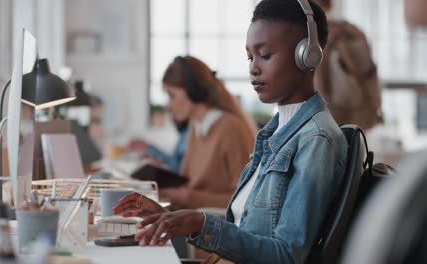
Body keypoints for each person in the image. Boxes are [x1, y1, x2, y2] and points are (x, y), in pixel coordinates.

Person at [114, 1, 348, 263]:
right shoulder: (274, 133)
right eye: (250, 57)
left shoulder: (316, 140)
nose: (253, 68)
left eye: (265, 55)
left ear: (307, 56)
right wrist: (174, 217)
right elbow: (245, 226)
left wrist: (201, 222)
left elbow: (287, 256)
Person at [135, 55, 257, 210]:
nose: (169, 105)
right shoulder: (195, 125)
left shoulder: (230, 127)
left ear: (194, 91)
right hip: (193, 217)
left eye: (172, 95)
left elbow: (247, 198)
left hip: (217, 226)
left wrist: (190, 198)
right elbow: (189, 182)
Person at [313, 0, 382, 130]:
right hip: (361, 110)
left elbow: (318, 80)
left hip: (332, 113)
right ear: (329, 5)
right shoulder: (354, 31)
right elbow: (370, 72)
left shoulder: (317, 34)